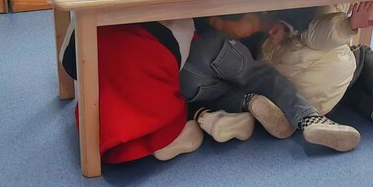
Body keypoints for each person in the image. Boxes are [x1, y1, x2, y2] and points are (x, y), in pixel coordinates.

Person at [212, 2, 373, 133]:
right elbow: (319, 32)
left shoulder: (264, 36)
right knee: (361, 54)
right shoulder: (317, 7)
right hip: (312, 81)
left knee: (347, 89)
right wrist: (349, 24)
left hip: (287, 85)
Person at [59, 18, 253, 163]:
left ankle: (210, 116)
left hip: (83, 52)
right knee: (190, 74)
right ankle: (210, 115)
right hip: (152, 53)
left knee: (115, 76)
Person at [179, 16, 362, 153]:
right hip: (212, 48)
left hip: (184, 76)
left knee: (218, 95)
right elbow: (240, 24)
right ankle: (309, 118)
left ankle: (249, 101)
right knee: (264, 77)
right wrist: (266, 24)